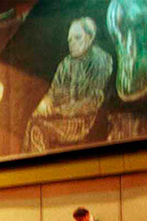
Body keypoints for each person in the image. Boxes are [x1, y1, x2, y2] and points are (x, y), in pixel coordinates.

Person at [25, 17, 113, 153]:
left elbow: (92, 102)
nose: (72, 43)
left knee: (37, 128)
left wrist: (56, 110)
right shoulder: (66, 64)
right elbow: (55, 92)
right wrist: (46, 101)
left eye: (77, 38)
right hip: (65, 118)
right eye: (70, 40)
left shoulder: (101, 60)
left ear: (90, 37)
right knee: (33, 121)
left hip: (87, 121)